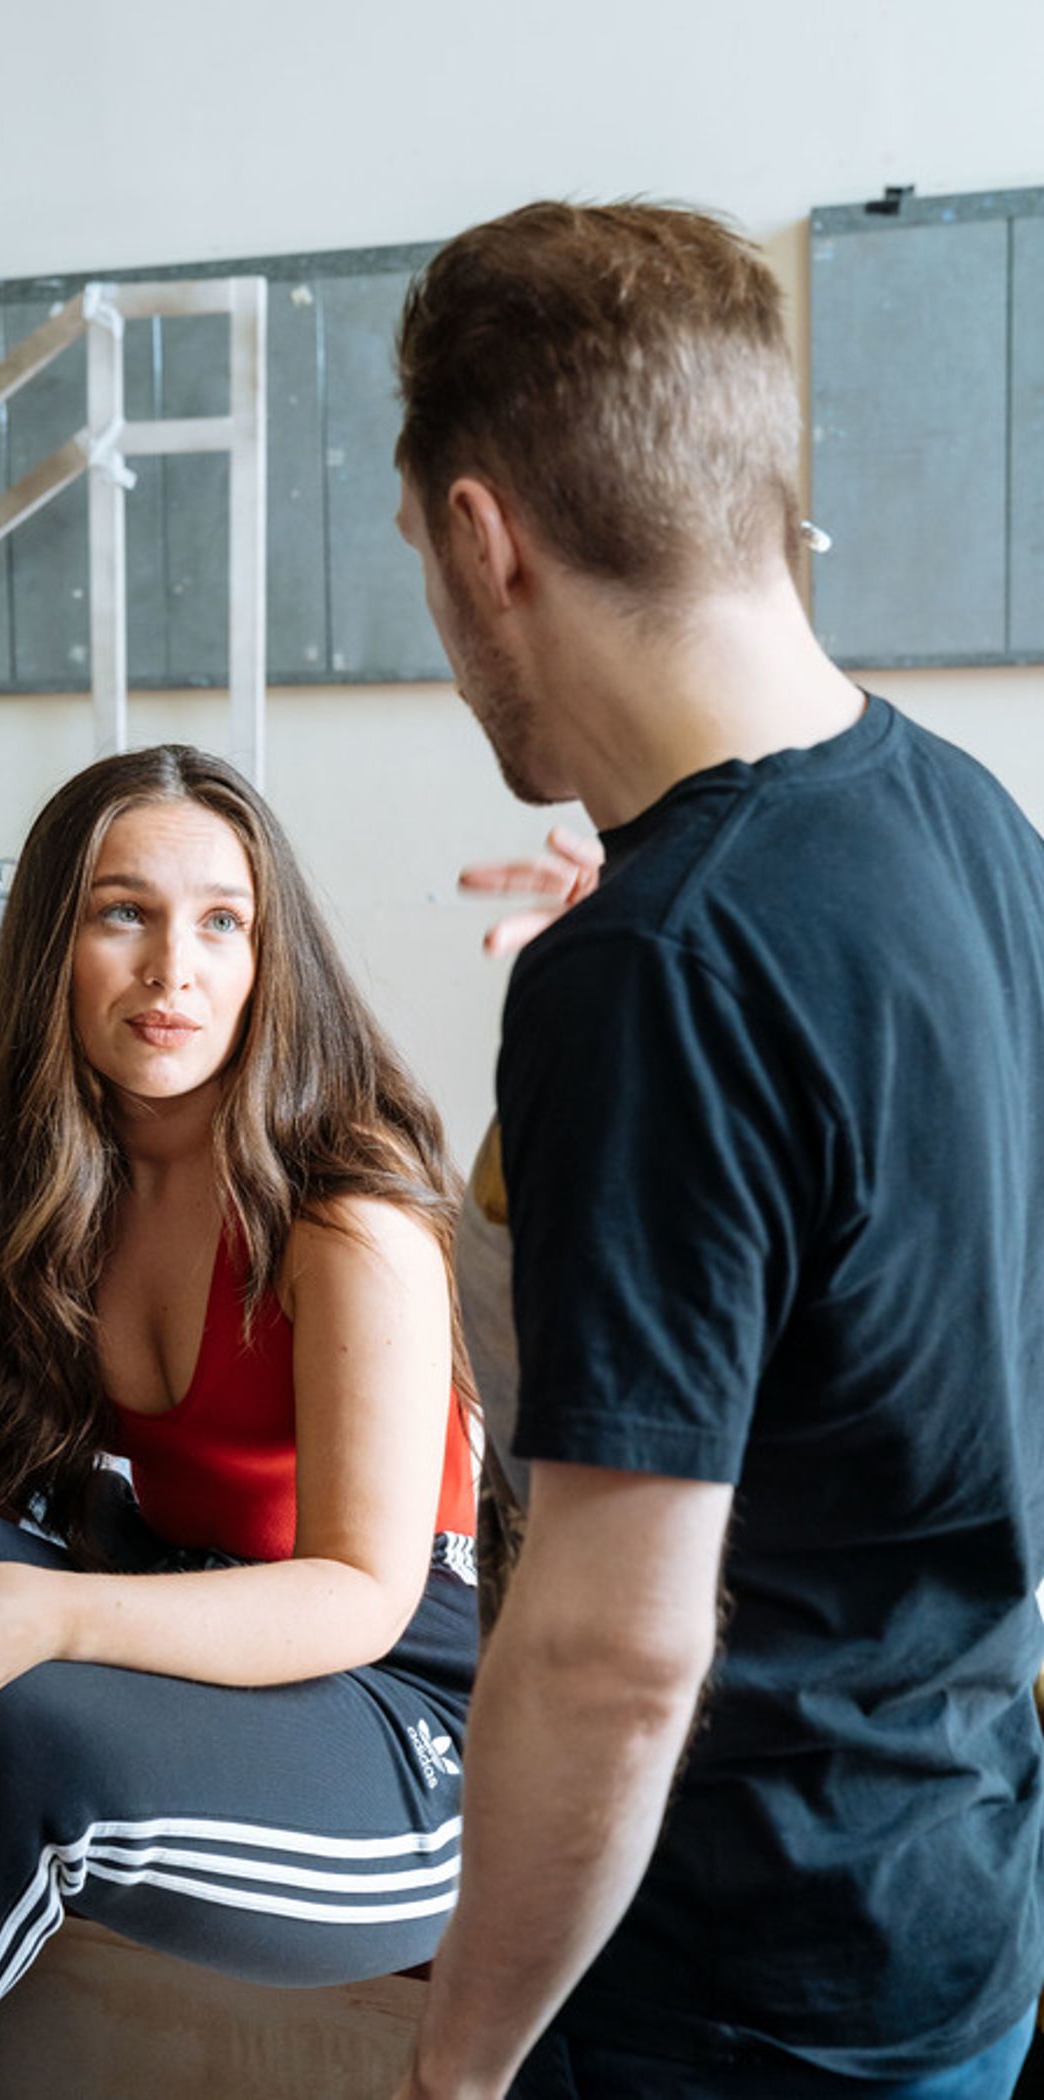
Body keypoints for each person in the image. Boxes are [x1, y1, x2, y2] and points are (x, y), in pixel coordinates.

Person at [387, 201, 1044, 2098]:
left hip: (735, 1994)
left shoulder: (657, 968)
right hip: (955, 1910)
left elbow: (615, 1652)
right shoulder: (964, 824)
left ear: (481, 537)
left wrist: (463, 2059)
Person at [0, 743, 478, 2100]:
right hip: (175, 1653)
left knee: (21, 1738)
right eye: (126, 913)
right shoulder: (18, 1209)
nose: (177, 966)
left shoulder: (349, 1220)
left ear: (267, 954)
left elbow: (357, 1593)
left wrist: (53, 1620)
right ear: (56, 942)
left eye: (221, 921)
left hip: (400, 1727)